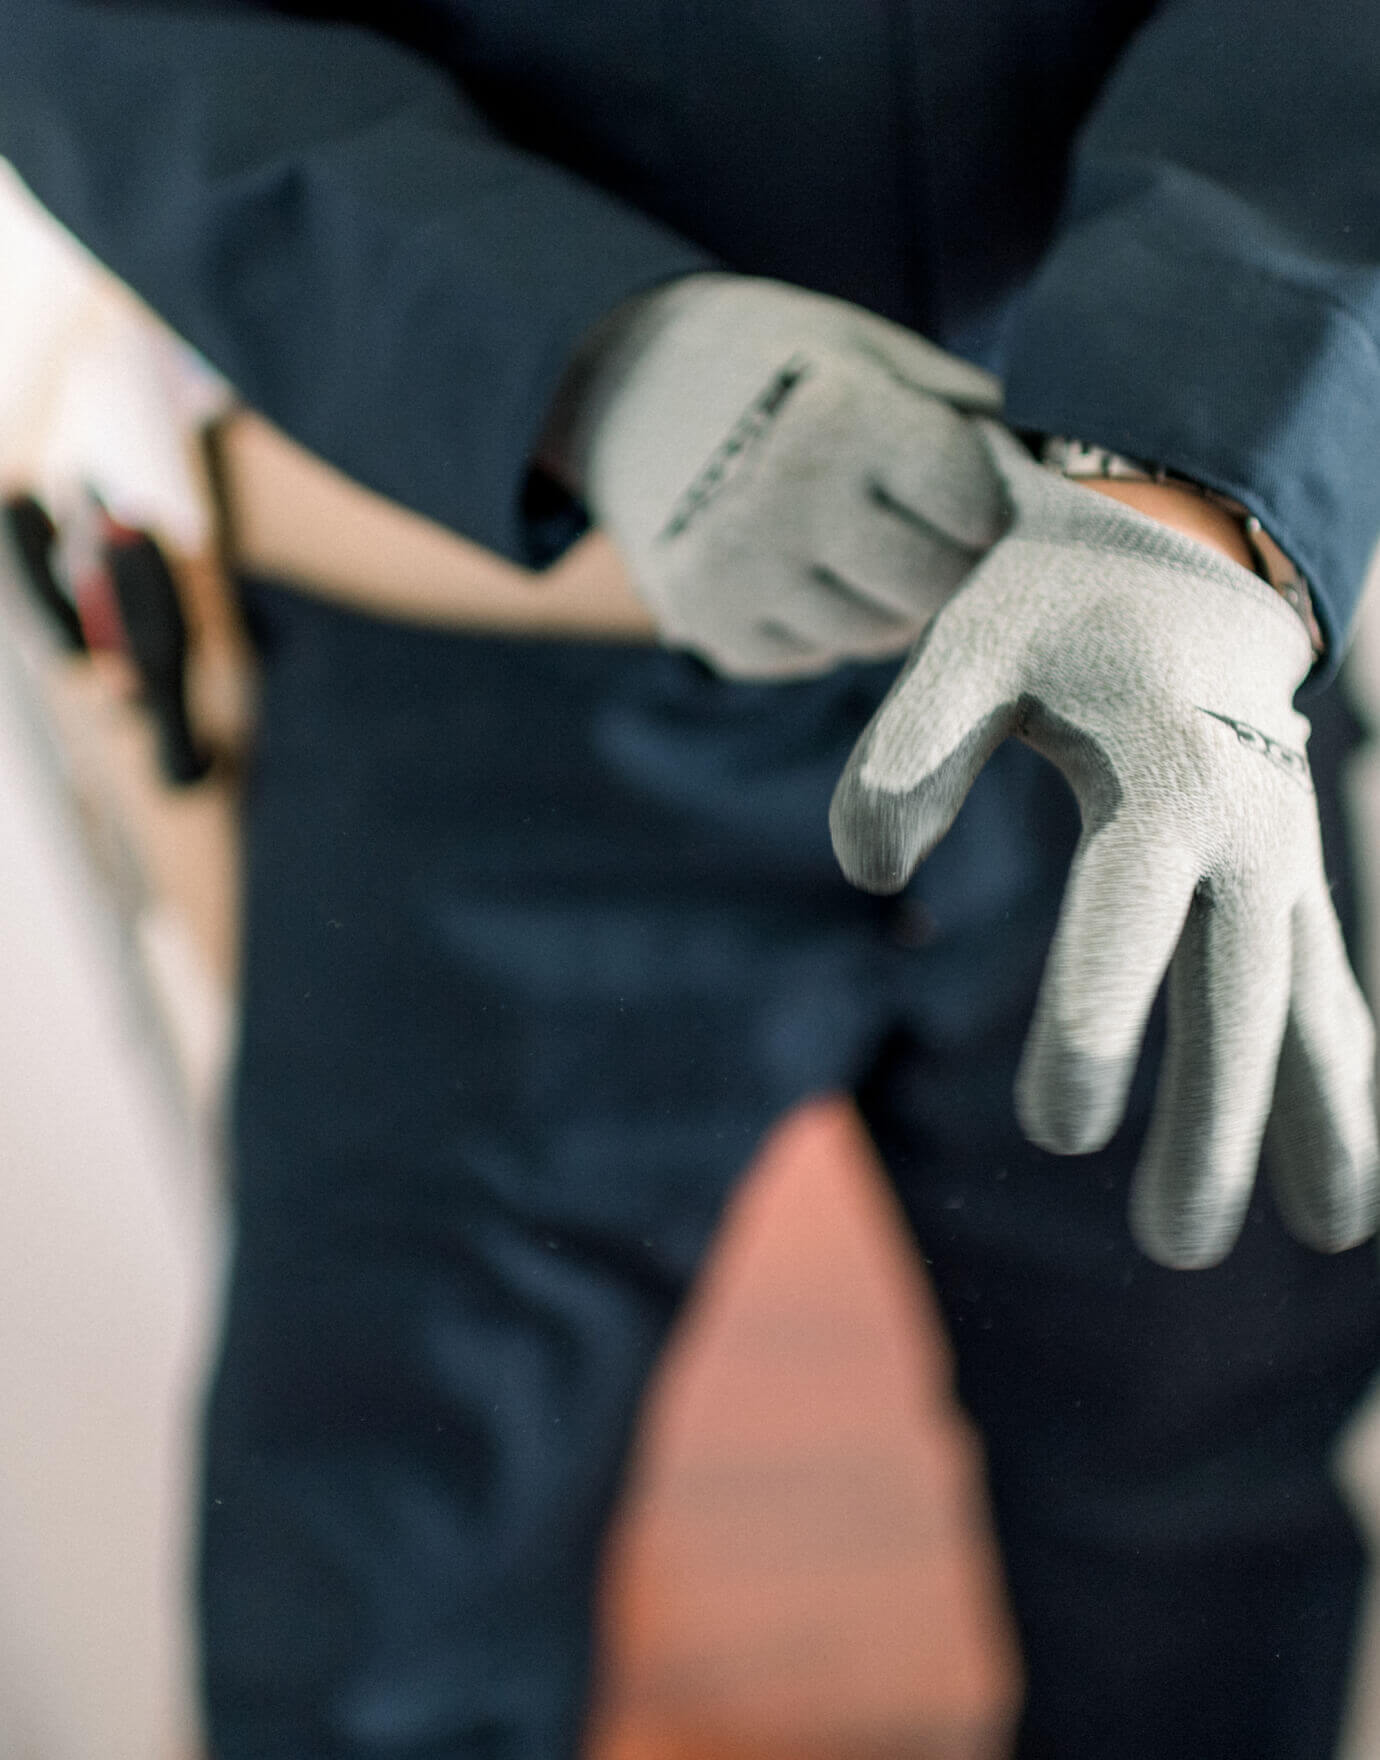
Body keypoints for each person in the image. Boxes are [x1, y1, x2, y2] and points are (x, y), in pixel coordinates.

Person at [1, 3, 1379, 1756]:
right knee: (390, 1593)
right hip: (483, 655)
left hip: (1143, 663)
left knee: (1206, 1505)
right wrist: (576, 349)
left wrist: (1207, 464)